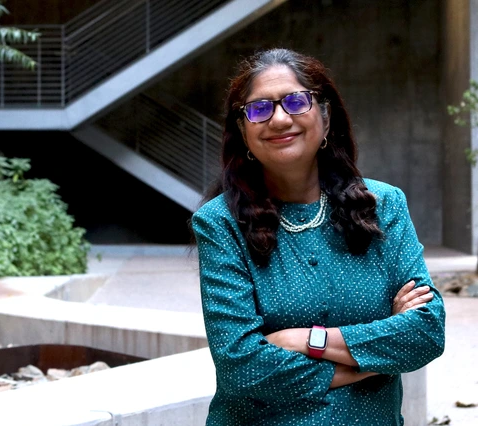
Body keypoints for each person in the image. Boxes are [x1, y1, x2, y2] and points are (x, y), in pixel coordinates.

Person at [190, 48, 446, 426]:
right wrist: (372, 361)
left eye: (296, 101)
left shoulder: (384, 206)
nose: (279, 119)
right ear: (243, 132)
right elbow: (241, 366)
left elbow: (426, 331)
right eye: (259, 109)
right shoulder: (219, 223)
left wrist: (310, 340)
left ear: (325, 119)